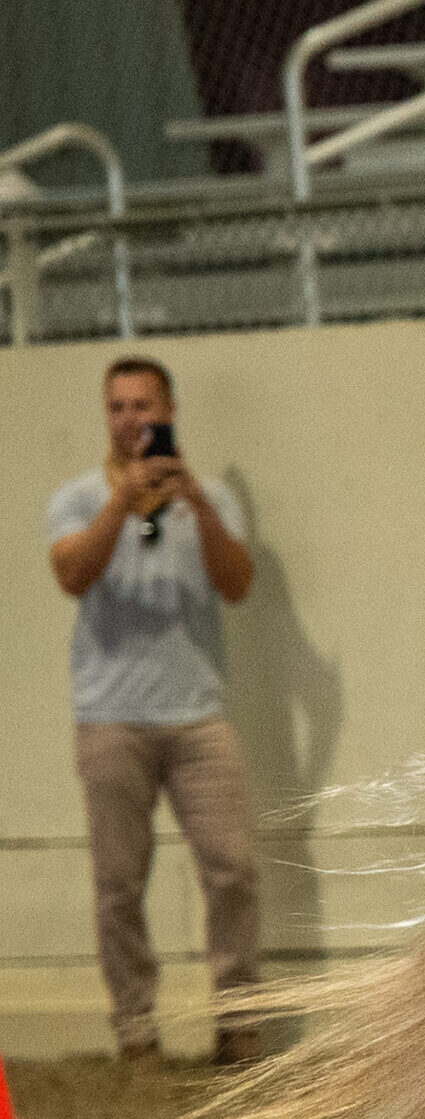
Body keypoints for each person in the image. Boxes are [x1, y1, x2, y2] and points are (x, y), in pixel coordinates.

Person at [46, 357, 262, 1066]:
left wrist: (193, 500)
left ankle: (237, 1024)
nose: (130, 419)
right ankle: (135, 1031)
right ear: (105, 416)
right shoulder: (78, 499)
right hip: (110, 717)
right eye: (117, 406)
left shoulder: (215, 499)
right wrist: (123, 501)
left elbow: (236, 586)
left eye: (143, 405)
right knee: (117, 884)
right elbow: (72, 574)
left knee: (231, 869)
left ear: (169, 410)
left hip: (197, 715)